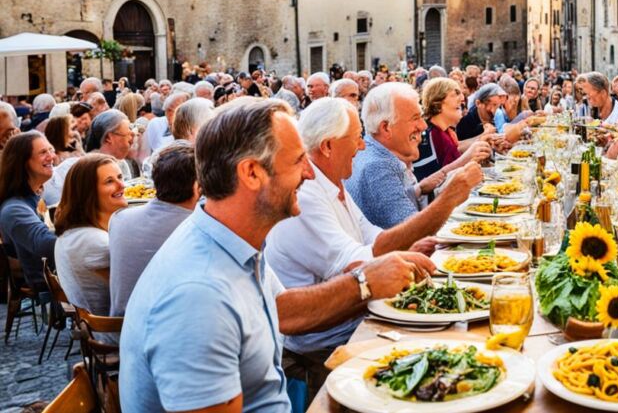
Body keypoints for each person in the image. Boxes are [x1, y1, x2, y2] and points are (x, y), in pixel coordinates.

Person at [119, 97, 436, 412]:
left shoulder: (225, 239)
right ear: (252, 173)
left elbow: (283, 310)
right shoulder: (199, 295)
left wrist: (364, 282)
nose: (310, 175)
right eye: (298, 161)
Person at [265, 98, 480, 384]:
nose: (362, 146)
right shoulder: (307, 194)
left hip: (355, 321)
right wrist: (449, 198)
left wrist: (405, 252)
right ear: (328, 146)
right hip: (328, 342)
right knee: (448, 354)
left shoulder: (332, 182)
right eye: (356, 139)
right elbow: (359, 265)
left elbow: (374, 242)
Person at [348, 83, 484, 229]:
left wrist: (419, 188)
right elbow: (414, 233)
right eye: (415, 118)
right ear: (386, 128)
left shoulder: (372, 150)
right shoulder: (377, 167)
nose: (423, 126)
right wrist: (451, 195)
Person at [109, 141, 198, 316]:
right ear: (197, 186)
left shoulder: (120, 219)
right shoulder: (194, 229)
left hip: (117, 326)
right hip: (156, 332)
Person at [53, 153, 127, 317]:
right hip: (115, 331)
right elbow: (135, 290)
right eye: (109, 181)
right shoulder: (94, 242)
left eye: (120, 177)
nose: (122, 185)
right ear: (88, 193)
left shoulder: (76, 232)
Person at [0, 132, 58, 292]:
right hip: (50, 281)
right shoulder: (14, 209)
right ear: (23, 163)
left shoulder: (31, 198)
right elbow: (47, 245)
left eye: (50, 150)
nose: (51, 156)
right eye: (43, 152)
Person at [43, 110, 137, 207]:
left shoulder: (122, 164)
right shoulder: (74, 166)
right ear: (109, 137)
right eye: (128, 132)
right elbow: (54, 201)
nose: (133, 135)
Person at [413, 78, 491, 181]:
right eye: (455, 94)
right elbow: (435, 181)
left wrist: (482, 141)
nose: (462, 98)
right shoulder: (431, 135)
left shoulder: (445, 132)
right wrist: (469, 158)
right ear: (438, 103)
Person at [144, 91, 189, 155]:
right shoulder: (155, 124)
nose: (169, 115)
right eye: (166, 111)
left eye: (171, 110)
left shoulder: (192, 127)